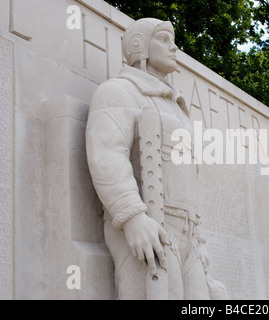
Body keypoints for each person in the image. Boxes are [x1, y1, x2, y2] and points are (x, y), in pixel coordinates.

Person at [85, 18, 227, 300]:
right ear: (139, 45)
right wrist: (133, 218)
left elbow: (189, 180)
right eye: (164, 39)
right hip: (149, 225)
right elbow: (107, 155)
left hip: (186, 235)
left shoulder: (176, 108)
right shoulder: (118, 91)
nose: (174, 47)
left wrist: (199, 240)